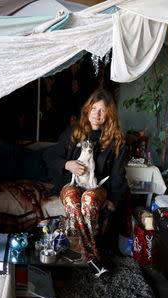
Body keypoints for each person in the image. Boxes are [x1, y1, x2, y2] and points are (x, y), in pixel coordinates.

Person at [49, 89, 128, 278]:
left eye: (102, 110)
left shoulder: (116, 140)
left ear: (109, 114)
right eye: (94, 108)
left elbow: (118, 175)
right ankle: (92, 257)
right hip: (71, 184)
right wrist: (67, 164)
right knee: (71, 197)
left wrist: (113, 201)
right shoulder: (73, 132)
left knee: (90, 198)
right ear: (87, 110)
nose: (97, 114)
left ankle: (83, 253)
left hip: (98, 188)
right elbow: (51, 157)